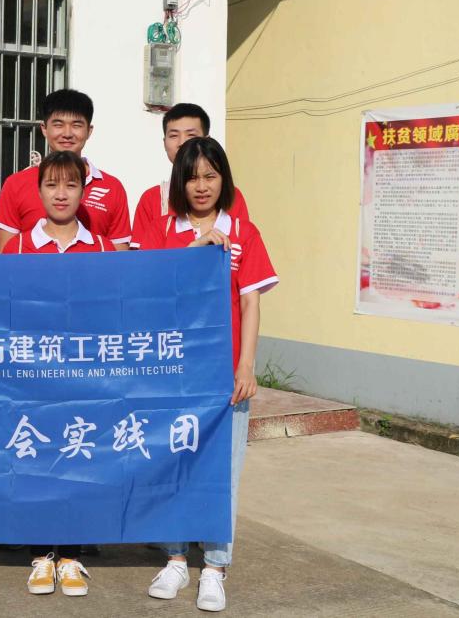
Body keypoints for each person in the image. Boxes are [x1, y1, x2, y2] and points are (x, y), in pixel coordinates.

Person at [138, 136, 278, 613]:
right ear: (179, 181)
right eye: (193, 177)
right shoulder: (162, 230)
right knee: (174, 466)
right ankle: (176, 559)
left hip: (224, 378)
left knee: (223, 473)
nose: (201, 186)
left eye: (211, 176)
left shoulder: (244, 231)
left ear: (224, 180)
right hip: (172, 374)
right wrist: (195, 250)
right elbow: (147, 292)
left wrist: (246, 366)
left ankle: (216, 568)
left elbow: (250, 302)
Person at [1, 150, 112, 597]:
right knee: (37, 461)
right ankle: (41, 555)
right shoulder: (17, 247)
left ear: (83, 190)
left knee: (78, 460)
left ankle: (70, 556)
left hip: (84, 379)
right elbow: (3, 313)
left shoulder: (101, 248)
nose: (61, 194)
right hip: (32, 378)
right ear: (39, 190)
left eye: (70, 185)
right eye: (51, 185)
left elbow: (114, 311)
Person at [0, 89, 132, 253]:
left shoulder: (112, 187)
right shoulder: (16, 184)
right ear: (44, 129)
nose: (67, 134)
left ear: (89, 131)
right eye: (58, 125)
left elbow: (118, 260)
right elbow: (7, 256)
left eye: (76, 125)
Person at [130, 103, 248, 248]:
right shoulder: (151, 200)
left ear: (207, 140)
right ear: (164, 142)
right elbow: (142, 259)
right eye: (174, 135)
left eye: (191, 135)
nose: (182, 143)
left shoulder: (233, 197)